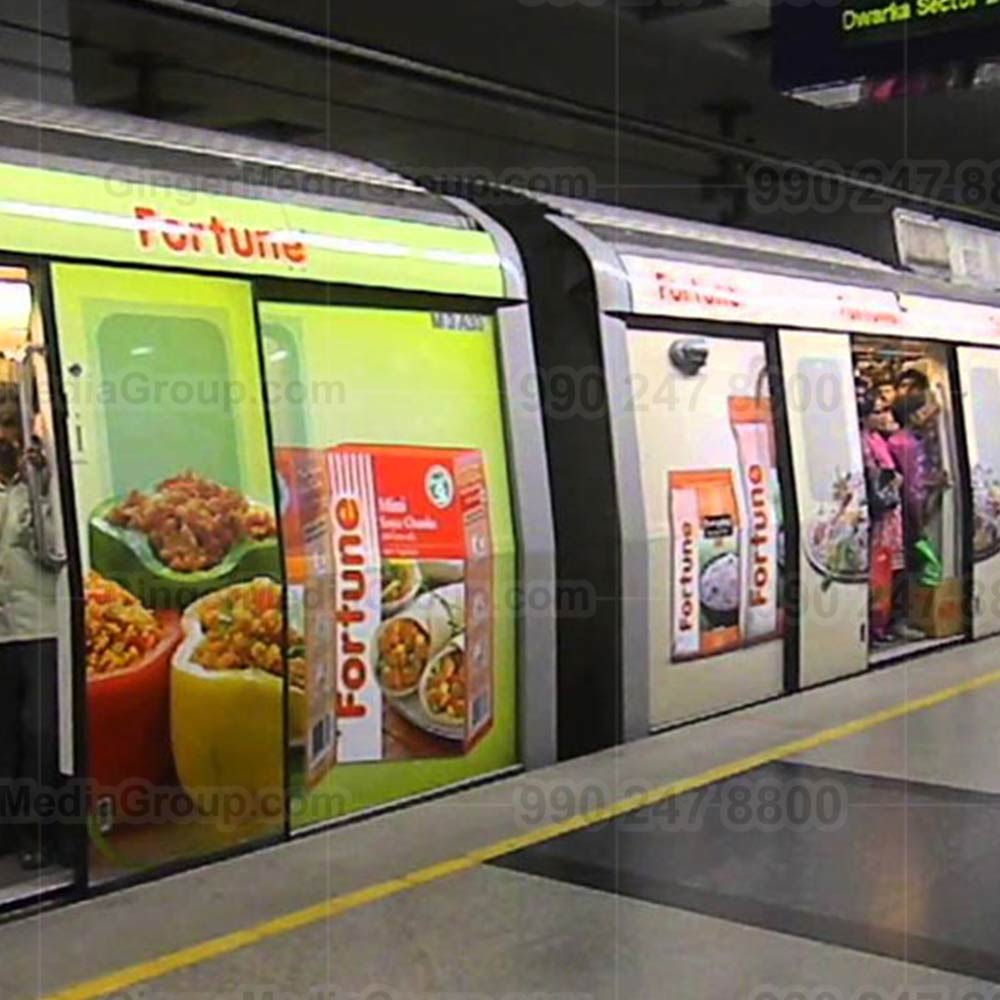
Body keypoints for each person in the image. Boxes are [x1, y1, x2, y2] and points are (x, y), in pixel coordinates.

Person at [0, 375, 62, 870]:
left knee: (36, 733)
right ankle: (11, 832)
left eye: (8, 427)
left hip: (39, 627)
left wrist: (39, 485)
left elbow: (57, 551)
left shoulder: (43, 487)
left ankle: (38, 834)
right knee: (7, 738)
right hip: (4, 630)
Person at [859, 392, 905, 643]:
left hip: (891, 512)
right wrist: (892, 480)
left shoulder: (877, 439)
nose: (883, 416)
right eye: (877, 412)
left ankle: (883, 622)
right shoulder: (864, 443)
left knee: (889, 568)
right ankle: (877, 624)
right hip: (881, 515)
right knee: (880, 569)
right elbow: (873, 474)